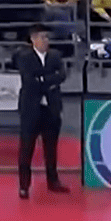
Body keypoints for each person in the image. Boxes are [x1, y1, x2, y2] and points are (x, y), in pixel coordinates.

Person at [13, 24, 69, 198]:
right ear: (33, 39)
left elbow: (62, 75)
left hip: (51, 108)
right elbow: (29, 80)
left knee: (51, 148)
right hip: (31, 109)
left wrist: (43, 79)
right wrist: (50, 81)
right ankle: (24, 185)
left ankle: (53, 181)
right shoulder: (24, 57)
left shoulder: (55, 56)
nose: (46, 41)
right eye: (42, 37)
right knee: (26, 148)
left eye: (47, 37)